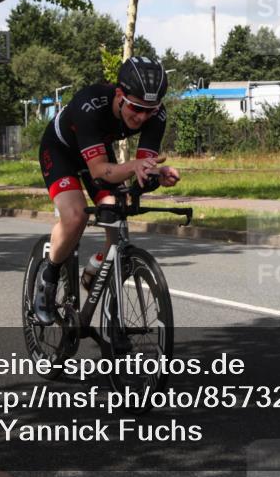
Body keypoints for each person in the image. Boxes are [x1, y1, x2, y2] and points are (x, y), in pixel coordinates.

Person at [33, 57, 181, 325]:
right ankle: (48, 278)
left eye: (150, 110)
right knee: (75, 215)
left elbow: (143, 166)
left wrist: (157, 174)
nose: (142, 117)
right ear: (119, 95)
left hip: (97, 150)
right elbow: (100, 170)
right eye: (136, 107)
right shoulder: (89, 104)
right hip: (62, 151)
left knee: (116, 218)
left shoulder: (155, 114)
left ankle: (97, 268)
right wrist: (134, 165)